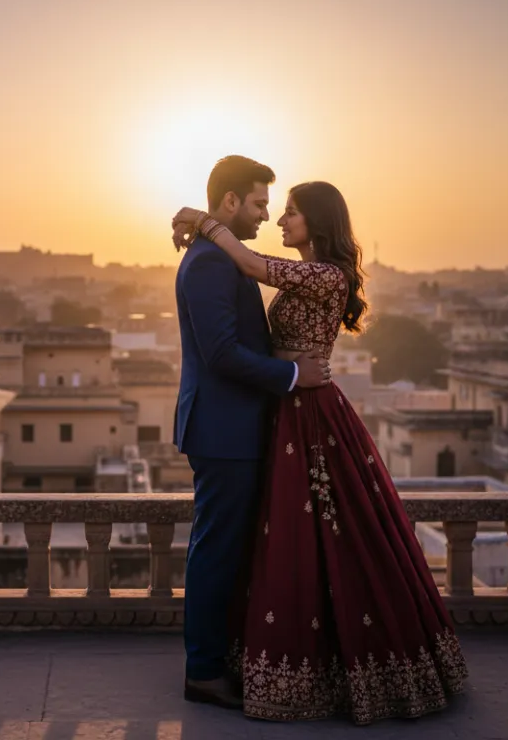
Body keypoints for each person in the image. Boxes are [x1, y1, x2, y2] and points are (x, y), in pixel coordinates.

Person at [172, 181, 469, 725]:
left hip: (306, 411)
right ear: (233, 199)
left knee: (319, 537)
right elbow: (232, 334)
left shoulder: (324, 274)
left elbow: (256, 266)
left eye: (288, 213)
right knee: (288, 537)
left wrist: (202, 220)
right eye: (268, 207)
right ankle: (231, 664)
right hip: (283, 408)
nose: (278, 220)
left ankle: (317, 663)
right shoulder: (235, 265)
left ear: (318, 222)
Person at [174, 156, 332, 709]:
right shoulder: (211, 265)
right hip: (223, 430)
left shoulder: (220, 257)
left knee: (228, 549)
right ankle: (203, 671)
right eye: (260, 203)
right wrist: (293, 374)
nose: (267, 215)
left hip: (235, 426)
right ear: (230, 202)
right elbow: (221, 353)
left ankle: (221, 659)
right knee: (216, 551)